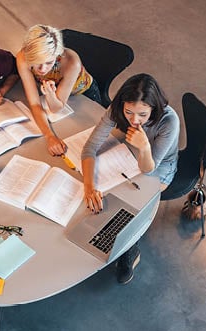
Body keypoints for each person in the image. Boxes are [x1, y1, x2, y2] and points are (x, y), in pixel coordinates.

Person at [81, 73, 179, 284]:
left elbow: (149, 171)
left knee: (132, 198)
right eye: (129, 113)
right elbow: (89, 148)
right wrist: (89, 186)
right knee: (105, 193)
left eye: (143, 115)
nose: (134, 120)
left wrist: (144, 147)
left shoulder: (169, 121)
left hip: (158, 166)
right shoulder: (116, 110)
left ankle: (130, 246)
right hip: (128, 154)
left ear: (154, 108)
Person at [16, 24, 101, 156]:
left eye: (49, 62)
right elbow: (34, 103)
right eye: (37, 62)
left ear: (57, 55)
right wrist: (49, 136)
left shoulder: (72, 62)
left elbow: (56, 108)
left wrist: (50, 95)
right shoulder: (23, 58)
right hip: (54, 91)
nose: (42, 69)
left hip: (83, 94)